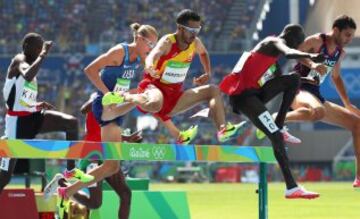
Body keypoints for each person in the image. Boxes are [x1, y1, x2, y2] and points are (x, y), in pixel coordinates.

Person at [56, 23, 159, 213]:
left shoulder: (139, 58)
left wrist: (140, 87)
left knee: (112, 166)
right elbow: (89, 70)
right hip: (105, 106)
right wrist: (106, 94)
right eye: (150, 44)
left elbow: (143, 75)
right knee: (103, 193)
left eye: (155, 45)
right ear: (138, 39)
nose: (152, 49)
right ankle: (68, 188)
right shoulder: (120, 52)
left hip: (116, 106)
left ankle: (66, 191)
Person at [108, 9, 246, 143]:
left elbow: (203, 53)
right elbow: (153, 54)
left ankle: (223, 131)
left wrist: (207, 72)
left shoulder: (195, 43)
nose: (194, 35)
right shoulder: (168, 42)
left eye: (197, 30)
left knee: (213, 90)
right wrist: (150, 66)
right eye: (191, 31)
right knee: (155, 104)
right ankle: (123, 96)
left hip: (175, 97)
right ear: (180, 28)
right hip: (153, 89)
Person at [219, 24, 324, 199]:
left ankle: (279, 125)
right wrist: (311, 56)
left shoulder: (272, 59)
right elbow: (290, 54)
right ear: (289, 36)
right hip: (243, 96)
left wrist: (304, 80)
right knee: (274, 136)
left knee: (294, 78)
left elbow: (281, 80)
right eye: (297, 43)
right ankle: (291, 187)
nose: (296, 47)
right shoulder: (273, 41)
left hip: (255, 93)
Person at [0, 33, 92, 195]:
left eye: (41, 47)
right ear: (26, 46)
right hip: (16, 123)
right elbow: (27, 76)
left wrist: (36, 106)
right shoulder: (19, 60)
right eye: (37, 47)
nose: (39, 50)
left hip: (32, 117)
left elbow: (21, 99)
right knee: (5, 177)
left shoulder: (33, 65)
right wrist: (44, 54)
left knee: (71, 123)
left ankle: (70, 170)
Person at [283, 15, 360, 187]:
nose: (349, 39)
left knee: (357, 123)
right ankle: (277, 119)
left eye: (351, 36)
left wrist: (347, 103)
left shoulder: (340, 52)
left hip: (315, 94)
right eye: (347, 35)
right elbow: (295, 54)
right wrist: (312, 64)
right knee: (319, 112)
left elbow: (336, 77)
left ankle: (359, 178)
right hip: (298, 88)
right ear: (336, 30)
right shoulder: (317, 41)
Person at [45, 93, 142, 219]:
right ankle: (61, 183)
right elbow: (84, 109)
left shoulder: (118, 99)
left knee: (125, 194)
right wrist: (102, 98)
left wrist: (126, 138)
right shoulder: (98, 95)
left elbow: (106, 131)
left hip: (108, 153)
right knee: (95, 203)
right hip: (93, 155)